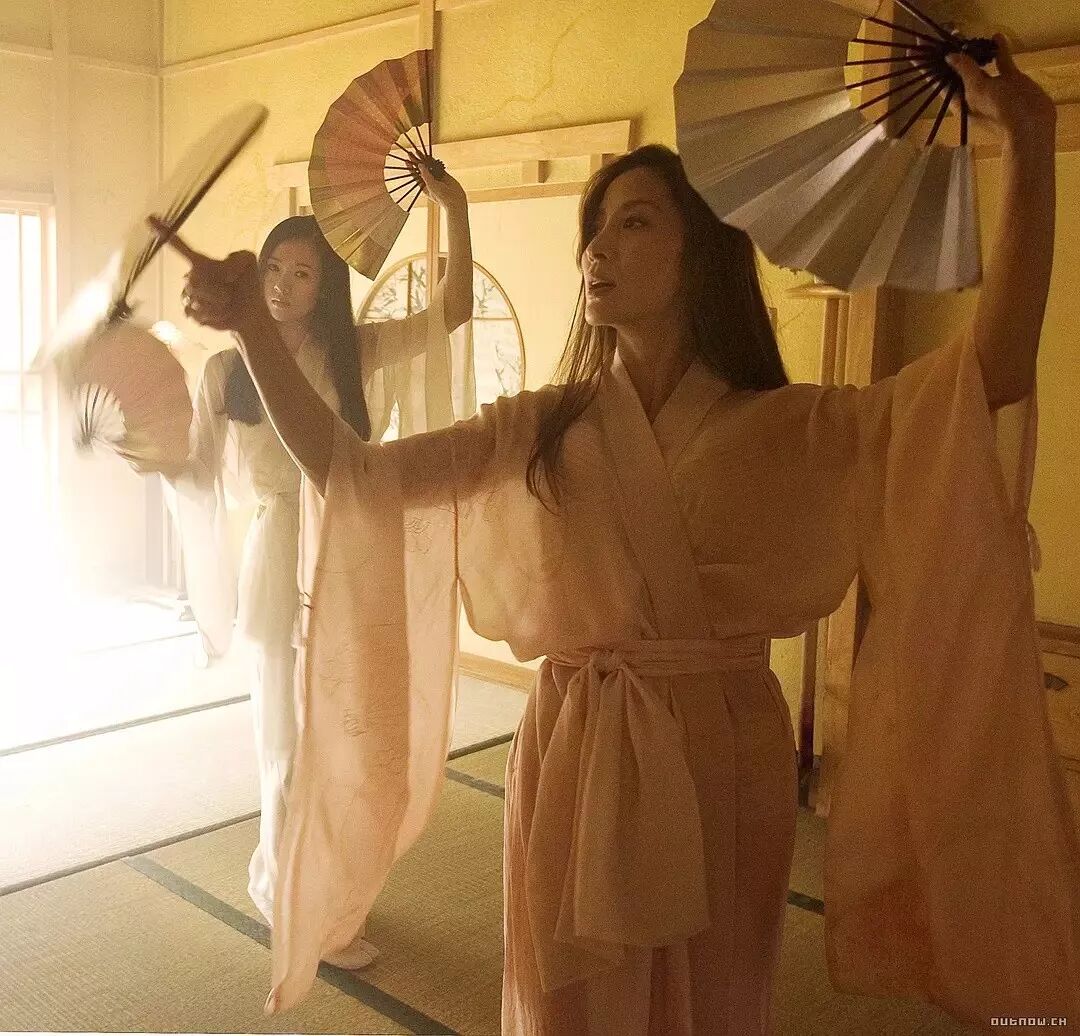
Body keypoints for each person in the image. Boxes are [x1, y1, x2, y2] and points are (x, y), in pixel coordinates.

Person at [159, 39, 1078, 1033]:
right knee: (568, 1006)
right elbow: (354, 474)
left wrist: (1030, 146)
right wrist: (254, 329)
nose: (596, 250)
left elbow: (989, 375)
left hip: (723, 750)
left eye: (632, 223)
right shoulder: (540, 428)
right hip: (576, 746)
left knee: (712, 998)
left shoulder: (795, 426)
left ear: (705, 251)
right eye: (592, 230)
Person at [156, 158, 472, 968]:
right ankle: (291, 897)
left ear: (325, 286)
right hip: (277, 559)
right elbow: (196, 473)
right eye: (273, 268)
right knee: (288, 746)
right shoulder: (227, 368)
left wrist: (455, 207)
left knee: (350, 738)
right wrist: (151, 451)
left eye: (302, 273)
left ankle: (321, 888)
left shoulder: (353, 351)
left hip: (350, 548)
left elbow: (452, 311)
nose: (282, 285)